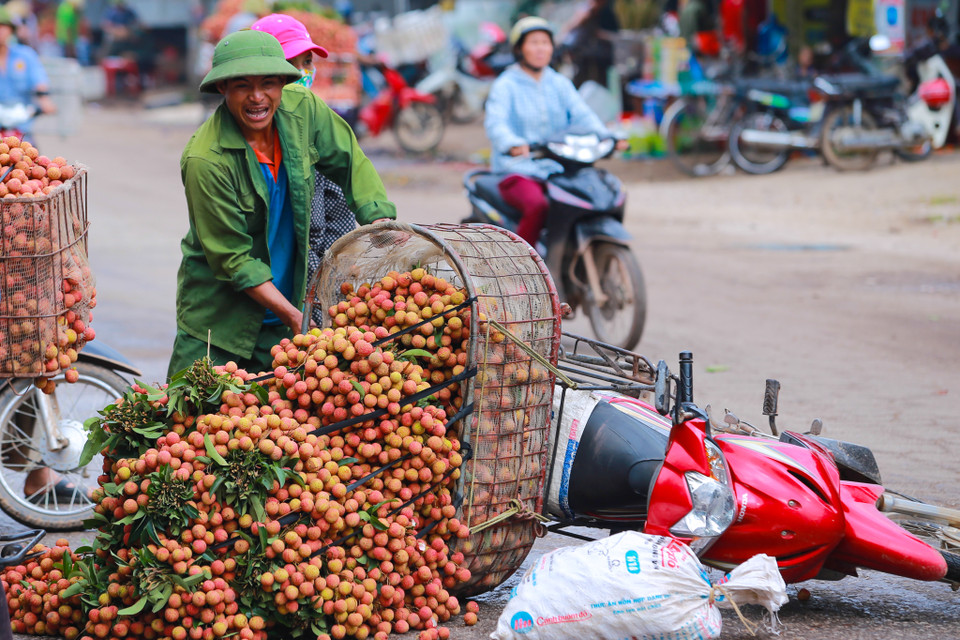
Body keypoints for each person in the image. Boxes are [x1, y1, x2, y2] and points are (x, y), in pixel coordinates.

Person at [167, 29, 396, 378]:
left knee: (281, 428)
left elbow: (350, 163)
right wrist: (295, 317)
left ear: (283, 84)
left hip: (286, 307)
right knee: (191, 424)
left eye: (269, 84)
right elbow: (234, 260)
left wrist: (380, 222)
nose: (257, 97)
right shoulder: (206, 159)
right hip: (219, 326)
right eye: (242, 85)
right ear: (222, 89)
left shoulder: (302, 110)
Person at [251, 13, 357, 326]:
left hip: (303, 302)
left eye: (306, 61)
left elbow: (339, 218)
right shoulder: (235, 140)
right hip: (255, 302)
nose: (301, 73)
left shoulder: (315, 125)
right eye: (289, 64)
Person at [484, 16, 626, 250]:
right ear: (519, 49)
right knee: (537, 205)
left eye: (545, 42)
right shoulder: (506, 85)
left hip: (558, 167)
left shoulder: (559, 83)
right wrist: (512, 144)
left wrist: (608, 136)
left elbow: (583, 115)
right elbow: (496, 124)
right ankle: (524, 269)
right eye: (534, 42)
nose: (541, 48)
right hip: (517, 169)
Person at [0, 7, 56, 142]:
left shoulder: (25, 55)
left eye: (3, 27)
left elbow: (39, 81)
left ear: (11, 30)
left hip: (22, 127)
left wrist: (44, 100)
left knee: (31, 160)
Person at [562, 0, 620, 87]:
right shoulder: (587, 9)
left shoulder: (611, 8)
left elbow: (615, 35)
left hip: (602, 52)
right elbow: (571, 27)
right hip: (583, 49)